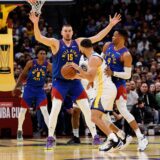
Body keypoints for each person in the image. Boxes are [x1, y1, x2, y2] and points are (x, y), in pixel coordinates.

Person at [29, 1, 121, 149]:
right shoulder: (55, 43)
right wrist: (35, 23)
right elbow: (39, 38)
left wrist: (110, 25)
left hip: (75, 81)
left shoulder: (78, 42)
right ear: (61, 32)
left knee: (86, 108)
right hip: (59, 81)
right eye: (65, 31)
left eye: (70, 31)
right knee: (56, 108)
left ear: (72, 32)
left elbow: (97, 37)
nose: (68, 33)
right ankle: (51, 137)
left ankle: (95, 135)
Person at [71, 39, 124, 152]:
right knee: (101, 118)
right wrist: (76, 76)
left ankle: (114, 140)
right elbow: (91, 76)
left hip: (103, 90)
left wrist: (78, 69)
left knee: (94, 117)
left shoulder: (93, 59)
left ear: (82, 47)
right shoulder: (94, 57)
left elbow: (90, 77)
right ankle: (119, 136)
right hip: (106, 89)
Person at [103, 29, 148, 151]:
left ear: (122, 38)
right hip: (106, 84)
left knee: (123, 110)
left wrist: (113, 72)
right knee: (101, 114)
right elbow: (101, 62)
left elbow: (128, 75)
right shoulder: (107, 46)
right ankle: (119, 136)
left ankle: (141, 136)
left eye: (115, 36)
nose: (112, 37)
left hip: (119, 85)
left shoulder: (126, 54)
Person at [12, 46, 51, 140]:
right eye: (41, 53)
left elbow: (55, 76)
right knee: (22, 111)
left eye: (44, 53)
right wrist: (16, 87)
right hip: (29, 89)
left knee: (45, 111)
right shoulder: (31, 63)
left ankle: (51, 133)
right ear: (37, 55)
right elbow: (22, 75)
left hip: (40, 90)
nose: (43, 55)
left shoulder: (48, 65)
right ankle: (20, 130)